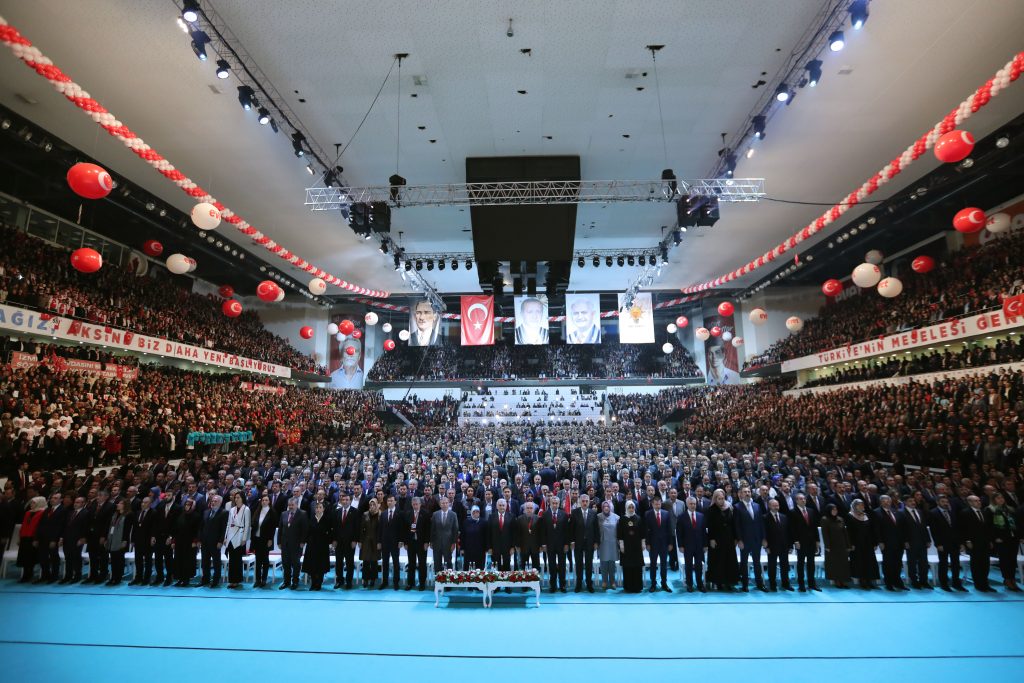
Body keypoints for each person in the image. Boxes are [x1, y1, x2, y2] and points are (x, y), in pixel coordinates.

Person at [928, 494, 965, 592]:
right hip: (943, 543)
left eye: (946, 502)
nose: (945, 503)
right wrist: (938, 544)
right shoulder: (933, 513)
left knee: (956, 563)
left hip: (954, 542)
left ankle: (956, 583)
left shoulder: (952, 512)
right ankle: (944, 583)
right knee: (943, 563)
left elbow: (957, 529)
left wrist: (961, 543)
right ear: (938, 502)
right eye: (943, 502)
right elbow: (934, 530)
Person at [705, 489, 739, 591]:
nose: (721, 500)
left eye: (723, 498)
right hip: (716, 539)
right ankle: (718, 582)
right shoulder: (711, 510)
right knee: (718, 560)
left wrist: (736, 538)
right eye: (719, 499)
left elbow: (733, 524)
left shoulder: (729, 508)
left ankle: (729, 582)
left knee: (729, 560)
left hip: (729, 538)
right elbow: (709, 526)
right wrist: (711, 539)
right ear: (715, 499)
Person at [733, 486, 766, 592]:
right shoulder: (737, 507)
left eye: (748, 491)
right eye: (744, 492)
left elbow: (761, 523)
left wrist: (763, 538)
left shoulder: (757, 506)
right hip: (744, 540)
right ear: (740, 494)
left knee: (757, 562)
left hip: (756, 539)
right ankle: (745, 584)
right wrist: (739, 540)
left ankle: (759, 584)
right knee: (744, 562)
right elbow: (736, 525)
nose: (747, 493)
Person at [985, 492, 1020, 591]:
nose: (1001, 499)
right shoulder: (990, 510)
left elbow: (1016, 523)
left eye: (1002, 497)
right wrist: (994, 538)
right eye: (998, 498)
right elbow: (989, 526)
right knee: (1005, 560)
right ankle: (1007, 579)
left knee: (1013, 560)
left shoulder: (1010, 509)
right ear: (994, 500)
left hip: (1013, 538)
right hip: (1001, 539)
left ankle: (1012, 578)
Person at [874, 494, 906, 591]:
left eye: (888, 500)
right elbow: (876, 529)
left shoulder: (896, 511)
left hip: (899, 542)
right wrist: (880, 541)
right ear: (881, 502)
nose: (887, 502)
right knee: (888, 563)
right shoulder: (876, 512)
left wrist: (904, 540)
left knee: (898, 563)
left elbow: (901, 527)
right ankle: (889, 583)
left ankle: (898, 582)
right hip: (886, 542)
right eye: (884, 500)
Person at [789, 492, 820, 592]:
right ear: (796, 500)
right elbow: (792, 529)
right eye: (801, 499)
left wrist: (817, 540)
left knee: (811, 563)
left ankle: (812, 584)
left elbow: (814, 527)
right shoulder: (793, 512)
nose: (803, 500)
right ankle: (801, 584)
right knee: (801, 563)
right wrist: (795, 541)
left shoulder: (811, 511)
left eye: (804, 499)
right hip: (800, 542)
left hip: (811, 541)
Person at [846, 499, 879, 590]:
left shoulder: (867, 515)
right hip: (856, 544)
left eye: (863, 505)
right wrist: (851, 544)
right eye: (860, 505)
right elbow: (849, 532)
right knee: (860, 562)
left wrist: (875, 542)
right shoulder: (850, 516)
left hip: (868, 543)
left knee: (869, 561)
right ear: (855, 506)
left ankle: (869, 580)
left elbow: (872, 530)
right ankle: (862, 581)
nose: (862, 506)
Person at [900, 496, 931, 589]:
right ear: (905, 502)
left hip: (922, 541)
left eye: (913, 500)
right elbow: (902, 529)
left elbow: (924, 527)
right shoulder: (901, 513)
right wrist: (905, 541)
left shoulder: (920, 511)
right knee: (912, 563)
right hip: (910, 542)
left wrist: (928, 540)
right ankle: (914, 581)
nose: (913, 502)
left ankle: (924, 581)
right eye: (910, 501)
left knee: (924, 562)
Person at [570, 493, 600, 592]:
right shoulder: (574, 512)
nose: (585, 503)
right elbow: (572, 529)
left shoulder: (593, 513)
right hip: (578, 542)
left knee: (588, 564)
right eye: (583, 501)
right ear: (580, 502)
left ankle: (589, 584)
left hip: (590, 542)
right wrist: (572, 541)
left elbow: (596, 529)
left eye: (586, 501)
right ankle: (579, 584)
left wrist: (596, 542)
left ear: (589, 502)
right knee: (578, 564)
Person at [677, 496, 707, 592]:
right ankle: (689, 584)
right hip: (687, 546)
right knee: (688, 566)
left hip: (699, 546)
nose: (693, 505)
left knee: (699, 566)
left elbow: (703, 532)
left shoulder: (701, 516)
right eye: (691, 504)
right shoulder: (681, 517)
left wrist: (705, 545)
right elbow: (679, 532)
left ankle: (700, 584)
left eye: (694, 504)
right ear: (687, 504)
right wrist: (680, 545)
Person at [642, 495, 672, 592]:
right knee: (653, 564)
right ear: (652, 504)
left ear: (661, 503)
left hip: (664, 544)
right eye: (656, 504)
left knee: (664, 564)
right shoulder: (647, 514)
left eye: (659, 504)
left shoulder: (666, 514)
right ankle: (653, 584)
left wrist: (670, 543)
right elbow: (646, 530)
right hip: (653, 544)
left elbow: (670, 529)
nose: (658, 505)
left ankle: (664, 583)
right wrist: (647, 543)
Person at [278, 497, 308, 590]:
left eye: (292, 505)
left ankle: (295, 581)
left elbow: (305, 529)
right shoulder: (283, 514)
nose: (290, 506)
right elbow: (280, 529)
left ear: (296, 504)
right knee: (285, 563)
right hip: (285, 543)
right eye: (289, 505)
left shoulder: (303, 514)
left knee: (296, 564)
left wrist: (303, 541)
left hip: (297, 544)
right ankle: (286, 581)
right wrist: (279, 542)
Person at [35, 493, 65, 584]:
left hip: (53, 538)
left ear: (60, 500)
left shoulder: (63, 510)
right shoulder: (47, 510)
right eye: (52, 498)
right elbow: (40, 525)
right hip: (43, 538)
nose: (52, 499)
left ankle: (54, 576)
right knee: (43, 557)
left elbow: (60, 527)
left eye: (55, 498)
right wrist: (36, 538)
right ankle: (45, 575)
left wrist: (54, 540)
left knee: (54, 557)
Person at [198, 495, 227, 588]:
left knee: (216, 562)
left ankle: (215, 580)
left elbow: (224, 529)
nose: (213, 502)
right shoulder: (206, 512)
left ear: (220, 502)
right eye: (212, 501)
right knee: (204, 562)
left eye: (215, 501)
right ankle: (205, 579)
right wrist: (199, 539)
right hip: (205, 541)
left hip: (215, 542)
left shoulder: (224, 512)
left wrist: (221, 541)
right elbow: (201, 527)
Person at [763, 498, 792, 592]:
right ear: (769, 506)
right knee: (772, 566)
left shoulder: (784, 517)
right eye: (774, 505)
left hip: (784, 546)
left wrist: (790, 546)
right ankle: (772, 584)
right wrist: (766, 546)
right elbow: (764, 533)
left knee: (785, 566)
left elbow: (788, 532)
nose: (776, 507)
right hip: (771, 546)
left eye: (777, 505)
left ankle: (785, 583)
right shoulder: (764, 517)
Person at [223, 490, 251, 589]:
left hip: (239, 535)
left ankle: (237, 580)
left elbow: (247, 525)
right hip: (231, 534)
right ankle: (231, 580)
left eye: (238, 497)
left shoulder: (246, 509)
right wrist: (225, 537)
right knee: (231, 559)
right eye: (235, 497)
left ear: (242, 498)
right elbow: (228, 524)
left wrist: (244, 538)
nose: (236, 499)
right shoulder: (232, 510)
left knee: (237, 559)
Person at [85, 489, 113, 584]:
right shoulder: (93, 506)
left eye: (100, 495)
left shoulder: (110, 506)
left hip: (102, 535)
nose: (98, 497)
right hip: (91, 535)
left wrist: (104, 536)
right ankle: (93, 575)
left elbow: (108, 523)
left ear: (106, 497)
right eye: (98, 495)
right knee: (92, 556)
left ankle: (103, 574)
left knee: (102, 556)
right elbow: (89, 520)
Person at [820, 503, 851, 589]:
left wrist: (848, 545)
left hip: (842, 544)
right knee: (834, 564)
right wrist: (827, 546)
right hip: (832, 545)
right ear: (829, 511)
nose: (835, 511)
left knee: (843, 563)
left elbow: (845, 533)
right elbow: (825, 534)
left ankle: (843, 581)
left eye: (836, 510)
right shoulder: (825, 519)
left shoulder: (840, 519)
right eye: (833, 510)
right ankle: (837, 581)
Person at [303, 501, 333, 591]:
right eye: (317, 508)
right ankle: (313, 583)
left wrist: (330, 543)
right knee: (312, 565)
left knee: (321, 565)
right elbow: (307, 532)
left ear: (323, 509)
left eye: (320, 507)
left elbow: (330, 533)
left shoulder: (327, 519)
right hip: (312, 546)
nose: (318, 509)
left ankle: (319, 583)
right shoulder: (311, 519)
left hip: (322, 546)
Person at [333, 493, 360, 589]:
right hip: (339, 542)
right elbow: (335, 527)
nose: (344, 501)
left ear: (350, 500)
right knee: (339, 562)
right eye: (343, 500)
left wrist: (355, 540)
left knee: (349, 562)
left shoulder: (355, 512)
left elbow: (357, 528)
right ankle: (339, 580)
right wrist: (334, 540)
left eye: (347, 500)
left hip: (350, 542)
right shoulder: (337, 511)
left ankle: (349, 581)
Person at [616, 500, 644, 593]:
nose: (631, 509)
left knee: (637, 567)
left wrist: (643, 543)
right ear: (626, 508)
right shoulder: (622, 519)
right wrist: (621, 545)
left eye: (632, 507)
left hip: (637, 547)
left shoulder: (638, 518)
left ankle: (637, 587)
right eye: (629, 507)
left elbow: (642, 533)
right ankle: (628, 587)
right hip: (626, 547)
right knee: (627, 567)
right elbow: (619, 533)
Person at [541, 495, 568, 592]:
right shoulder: (545, 514)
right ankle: (553, 586)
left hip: (561, 545)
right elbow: (543, 531)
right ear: (550, 504)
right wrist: (544, 544)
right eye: (553, 503)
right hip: (550, 545)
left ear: (559, 504)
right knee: (552, 566)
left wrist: (566, 544)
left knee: (562, 566)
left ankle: (562, 585)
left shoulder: (564, 514)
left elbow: (566, 531)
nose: (555, 505)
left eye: (557, 503)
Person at [251, 493, 278, 589]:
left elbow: (273, 528)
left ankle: (264, 579)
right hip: (257, 539)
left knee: (265, 560)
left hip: (266, 540)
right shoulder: (257, 511)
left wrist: (270, 539)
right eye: (263, 500)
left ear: (269, 501)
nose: (264, 502)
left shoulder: (272, 512)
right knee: (257, 561)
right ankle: (258, 580)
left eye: (266, 500)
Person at [61, 496, 89, 584]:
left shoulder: (86, 513)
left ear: (83, 503)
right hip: (67, 538)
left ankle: (77, 575)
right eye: (75, 502)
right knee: (68, 558)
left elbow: (85, 527)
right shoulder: (70, 513)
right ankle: (68, 575)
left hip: (77, 539)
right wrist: (62, 537)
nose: (75, 504)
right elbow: (65, 526)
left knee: (76, 558)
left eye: (78, 502)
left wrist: (82, 538)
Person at [172, 498, 200, 587]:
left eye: (189, 505)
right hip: (180, 541)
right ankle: (180, 579)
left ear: (192, 506)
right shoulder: (181, 515)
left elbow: (198, 530)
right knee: (179, 560)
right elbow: (176, 529)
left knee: (187, 561)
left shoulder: (196, 516)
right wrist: (173, 541)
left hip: (190, 542)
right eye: (186, 505)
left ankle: (186, 579)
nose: (187, 506)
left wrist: (195, 541)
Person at [17, 496, 46, 583]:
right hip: (25, 537)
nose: (31, 504)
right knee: (24, 556)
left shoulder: (43, 512)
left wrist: (36, 538)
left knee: (31, 557)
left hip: (34, 538)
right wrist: (20, 537)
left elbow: (40, 527)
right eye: (31, 503)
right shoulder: (28, 513)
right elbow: (23, 525)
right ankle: (26, 574)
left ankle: (30, 574)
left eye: (33, 503)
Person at [152, 493, 177, 587]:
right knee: (158, 558)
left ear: (173, 497)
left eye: (169, 495)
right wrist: (153, 535)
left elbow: (176, 525)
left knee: (168, 559)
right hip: (159, 536)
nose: (166, 497)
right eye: (166, 495)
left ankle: (169, 577)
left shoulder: (177, 507)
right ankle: (159, 577)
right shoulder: (160, 505)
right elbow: (155, 522)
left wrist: (171, 537)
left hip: (169, 537)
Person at [378, 494, 403, 590]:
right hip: (385, 542)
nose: (390, 502)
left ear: (395, 502)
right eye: (388, 501)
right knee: (385, 562)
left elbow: (402, 529)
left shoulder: (399, 513)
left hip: (396, 542)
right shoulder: (383, 514)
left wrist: (401, 540)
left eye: (391, 500)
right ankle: (385, 582)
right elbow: (380, 529)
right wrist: (379, 541)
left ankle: (396, 582)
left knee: (396, 562)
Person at [105, 498, 132, 586]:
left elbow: (127, 530)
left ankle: (118, 578)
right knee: (113, 560)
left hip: (121, 540)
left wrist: (124, 541)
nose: (117, 505)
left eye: (120, 503)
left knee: (119, 560)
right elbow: (110, 527)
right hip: (112, 539)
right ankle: (113, 577)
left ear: (125, 505)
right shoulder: (115, 514)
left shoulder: (128, 515)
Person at [430, 494, 459, 577]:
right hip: (436, 542)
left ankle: (448, 583)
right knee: (437, 563)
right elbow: (432, 529)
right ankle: (438, 581)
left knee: (448, 563)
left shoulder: (453, 514)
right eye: (443, 503)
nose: (444, 504)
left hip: (449, 543)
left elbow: (455, 530)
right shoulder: (435, 514)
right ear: (440, 504)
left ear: (449, 504)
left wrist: (454, 543)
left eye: (446, 503)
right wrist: (431, 541)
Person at [489, 498, 516, 572]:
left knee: (507, 567)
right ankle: (495, 583)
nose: (501, 507)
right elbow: (489, 533)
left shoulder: (512, 516)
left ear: (506, 506)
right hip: (495, 547)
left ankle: (506, 582)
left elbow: (514, 533)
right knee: (495, 567)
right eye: (500, 505)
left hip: (507, 547)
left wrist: (513, 547)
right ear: (497, 506)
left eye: (503, 505)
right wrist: (490, 547)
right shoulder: (491, 517)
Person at [597, 500, 619, 589]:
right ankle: (604, 581)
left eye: (608, 506)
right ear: (602, 507)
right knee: (603, 563)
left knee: (612, 563)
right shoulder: (598, 516)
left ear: (611, 507)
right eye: (604, 506)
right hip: (602, 543)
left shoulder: (617, 517)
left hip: (613, 542)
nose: (606, 508)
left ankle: (613, 581)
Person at [359, 497, 380, 588]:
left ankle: (373, 579)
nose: (372, 506)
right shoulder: (365, 514)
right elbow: (361, 529)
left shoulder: (380, 515)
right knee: (366, 561)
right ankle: (365, 579)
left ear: (377, 505)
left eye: (373, 504)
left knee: (374, 562)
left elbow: (381, 530)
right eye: (370, 505)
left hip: (376, 541)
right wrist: (360, 541)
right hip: (366, 541)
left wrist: (380, 542)